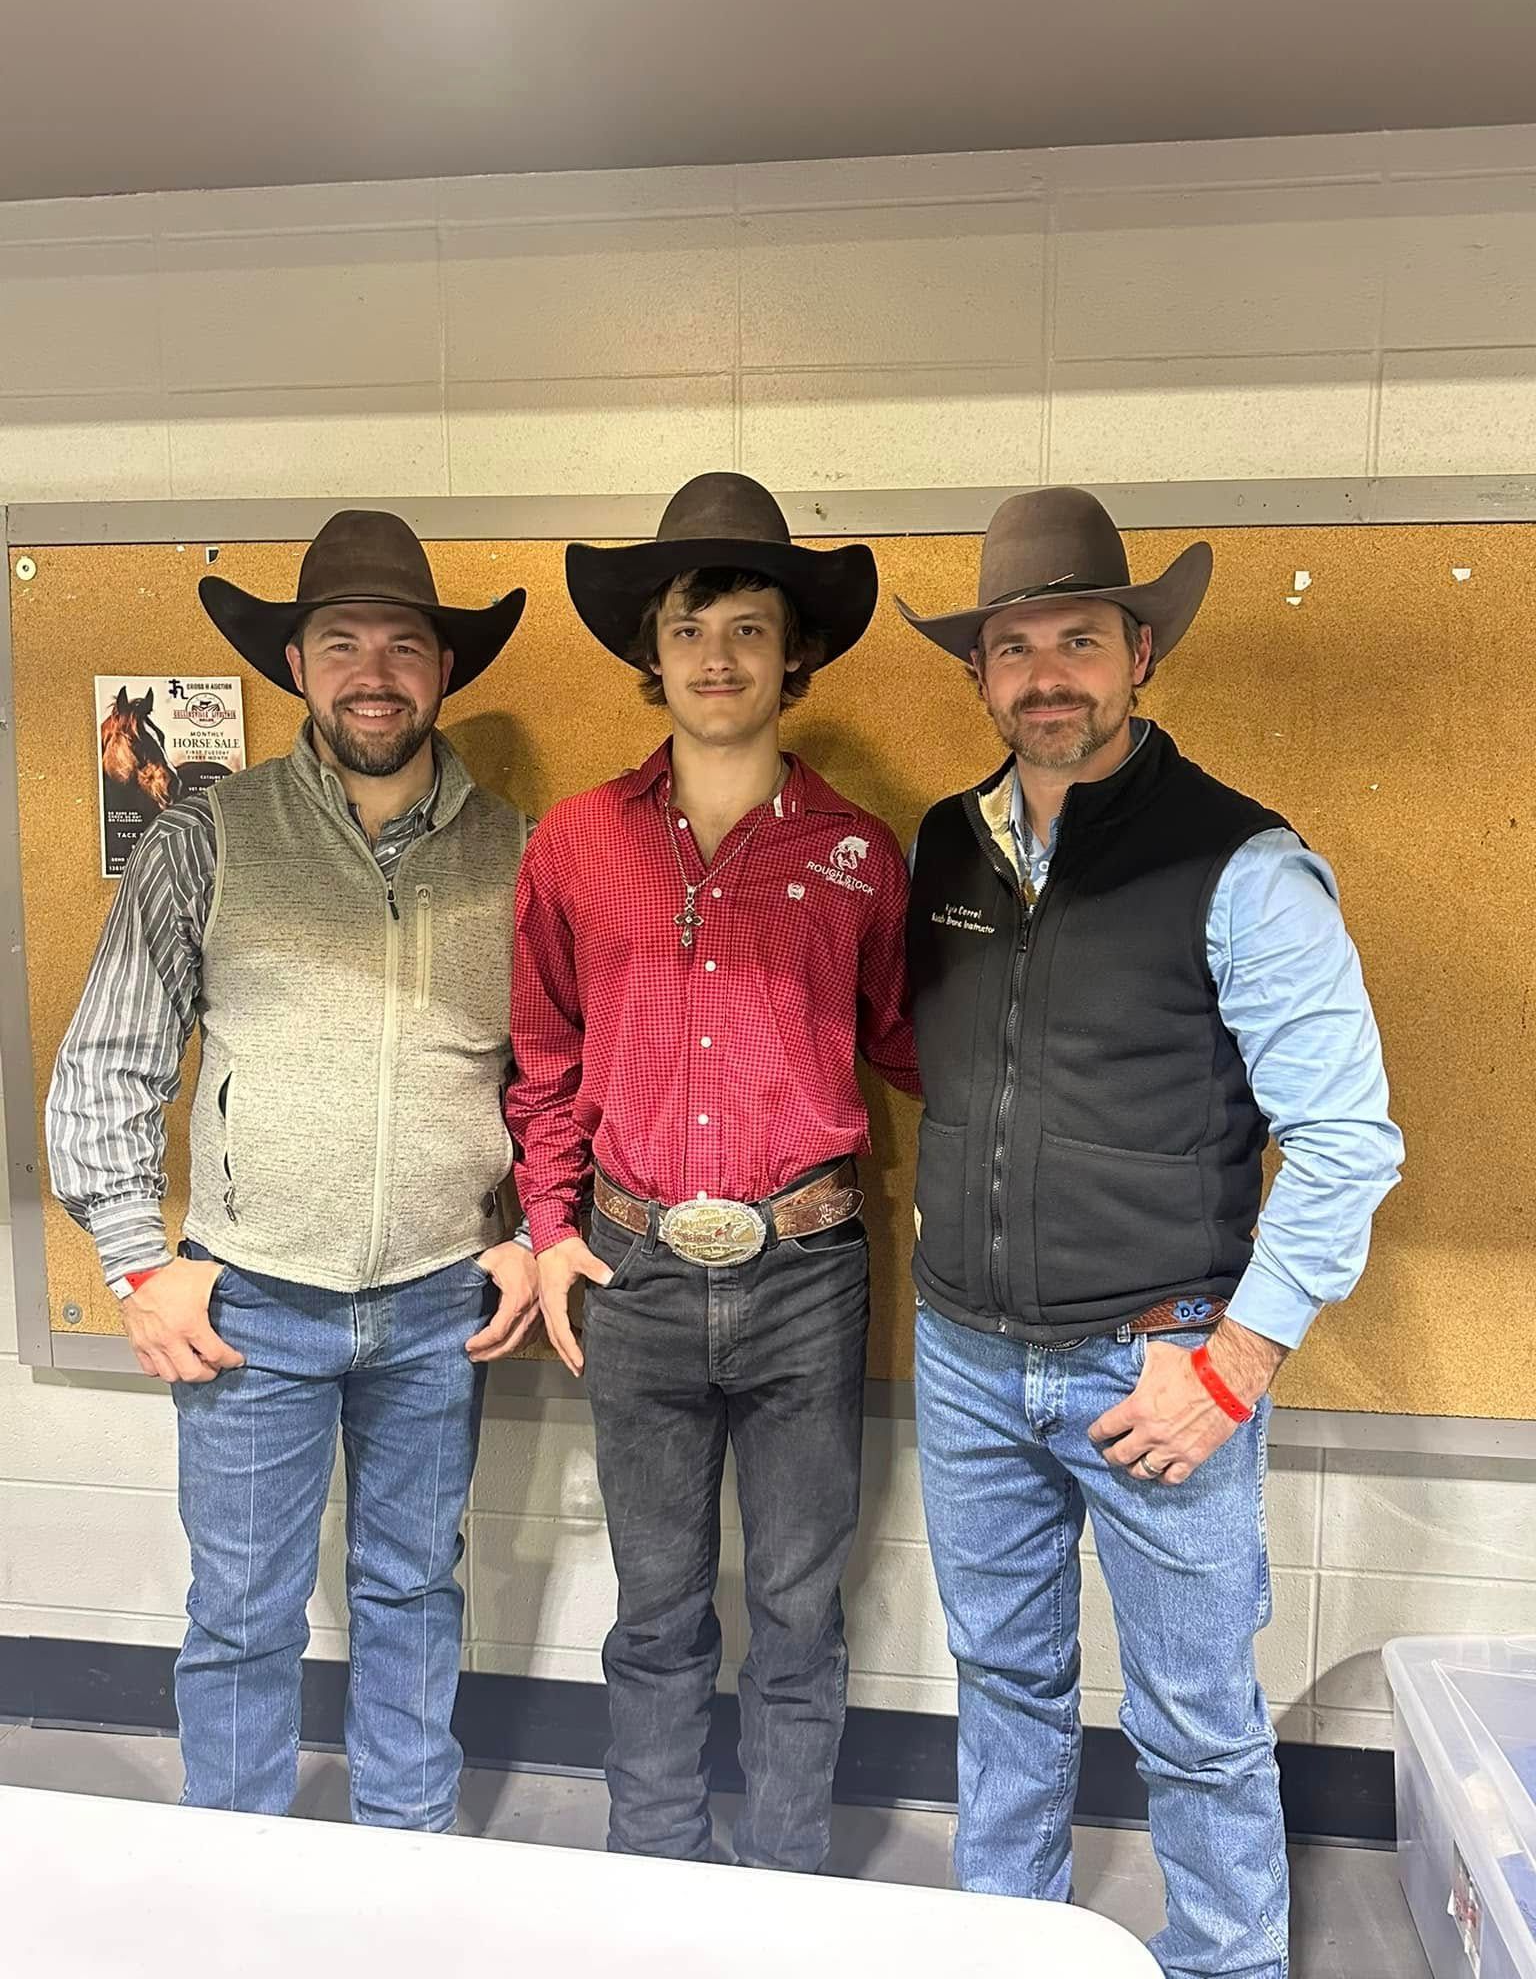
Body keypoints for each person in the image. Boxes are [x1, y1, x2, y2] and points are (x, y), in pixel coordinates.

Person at [897, 486, 1403, 1976]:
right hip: (968, 1357)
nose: (1046, 674)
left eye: (1079, 640)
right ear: (980, 673)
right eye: (1013, 646)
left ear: (1140, 657)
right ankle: (1006, 1953)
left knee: (1194, 1725)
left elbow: (1347, 1143)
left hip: (1161, 1366)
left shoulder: (1244, 866)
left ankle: (1228, 1965)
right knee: (1002, 1686)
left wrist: (1233, 1366)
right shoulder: (945, 847)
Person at [47, 510, 539, 1831]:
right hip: (248, 1305)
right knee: (245, 1611)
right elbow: (107, 1064)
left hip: (443, 1306)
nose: (372, 670)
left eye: (403, 645)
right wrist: (141, 1267)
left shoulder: (521, 855)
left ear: (444, 670)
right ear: (299, 665)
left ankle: (407, 1865)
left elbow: (556, 1074)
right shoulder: (206, 838)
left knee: (414, 1590)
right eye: (341, 642)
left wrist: (525, 1228)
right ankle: (238, 1887)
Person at [507, 472, 920, 1871]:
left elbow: (907, 1040)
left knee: (801, 1608)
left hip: (806, 1271)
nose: (721, 658)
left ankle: (788, 1883)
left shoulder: (861, 853)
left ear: (794, 654)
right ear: (652, 655)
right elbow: (545, 1053)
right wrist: (552, 1225)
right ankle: (655, 1874)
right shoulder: (576, 843)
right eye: (692, 630)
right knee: (656, 1602)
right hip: (628, 1269)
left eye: (750, 627)